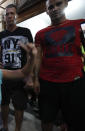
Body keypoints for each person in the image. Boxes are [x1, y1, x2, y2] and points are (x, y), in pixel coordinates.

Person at [34, 0, 85, 131]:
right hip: (47, 83)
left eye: (58, 4)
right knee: (46, 119)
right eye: (51, 7)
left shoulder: (79, 24)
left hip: (75, 81)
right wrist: (35, 79)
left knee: (76, 121)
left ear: (66, 4)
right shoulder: (40, 34)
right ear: (46, 11)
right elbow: (38, 57)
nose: (55, 8)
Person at [0, 4, 33, 131]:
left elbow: (31, 53)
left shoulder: (25, 32)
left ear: (16, 16)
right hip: (4, 75)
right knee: (3, 103)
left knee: (19, 106)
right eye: (7, 14)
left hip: (20, 75)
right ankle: (5, 127)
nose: (9, 16)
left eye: (12, 13)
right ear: (4, 18)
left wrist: (31, 76)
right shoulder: (0, 35)